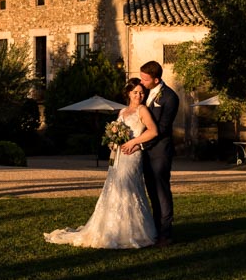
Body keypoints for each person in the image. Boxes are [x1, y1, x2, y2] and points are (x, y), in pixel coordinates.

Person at [44, 78, 159, 249]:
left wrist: (134, 143)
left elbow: (153, 131)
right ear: (128, 93)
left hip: (132, 154)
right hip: (118, 155)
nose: (139, 95)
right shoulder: (122, 112)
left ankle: (132, 231)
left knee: (129, 188)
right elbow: (117, 133)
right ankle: (112, 227)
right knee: (113, 187)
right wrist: (113, 141)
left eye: (141, 92)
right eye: (135, 92)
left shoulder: (143, 110)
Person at [122, 60, 179, 246]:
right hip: (143, 152)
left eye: (145, 79)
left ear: (156, 80)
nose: (142, 81)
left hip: (159, 152)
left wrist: (139, 145)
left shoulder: (170, 98)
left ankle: (166, 234)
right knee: (150, 192)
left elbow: (161, 129)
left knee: (161, 192)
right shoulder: (144, 93)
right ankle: (153, 229)